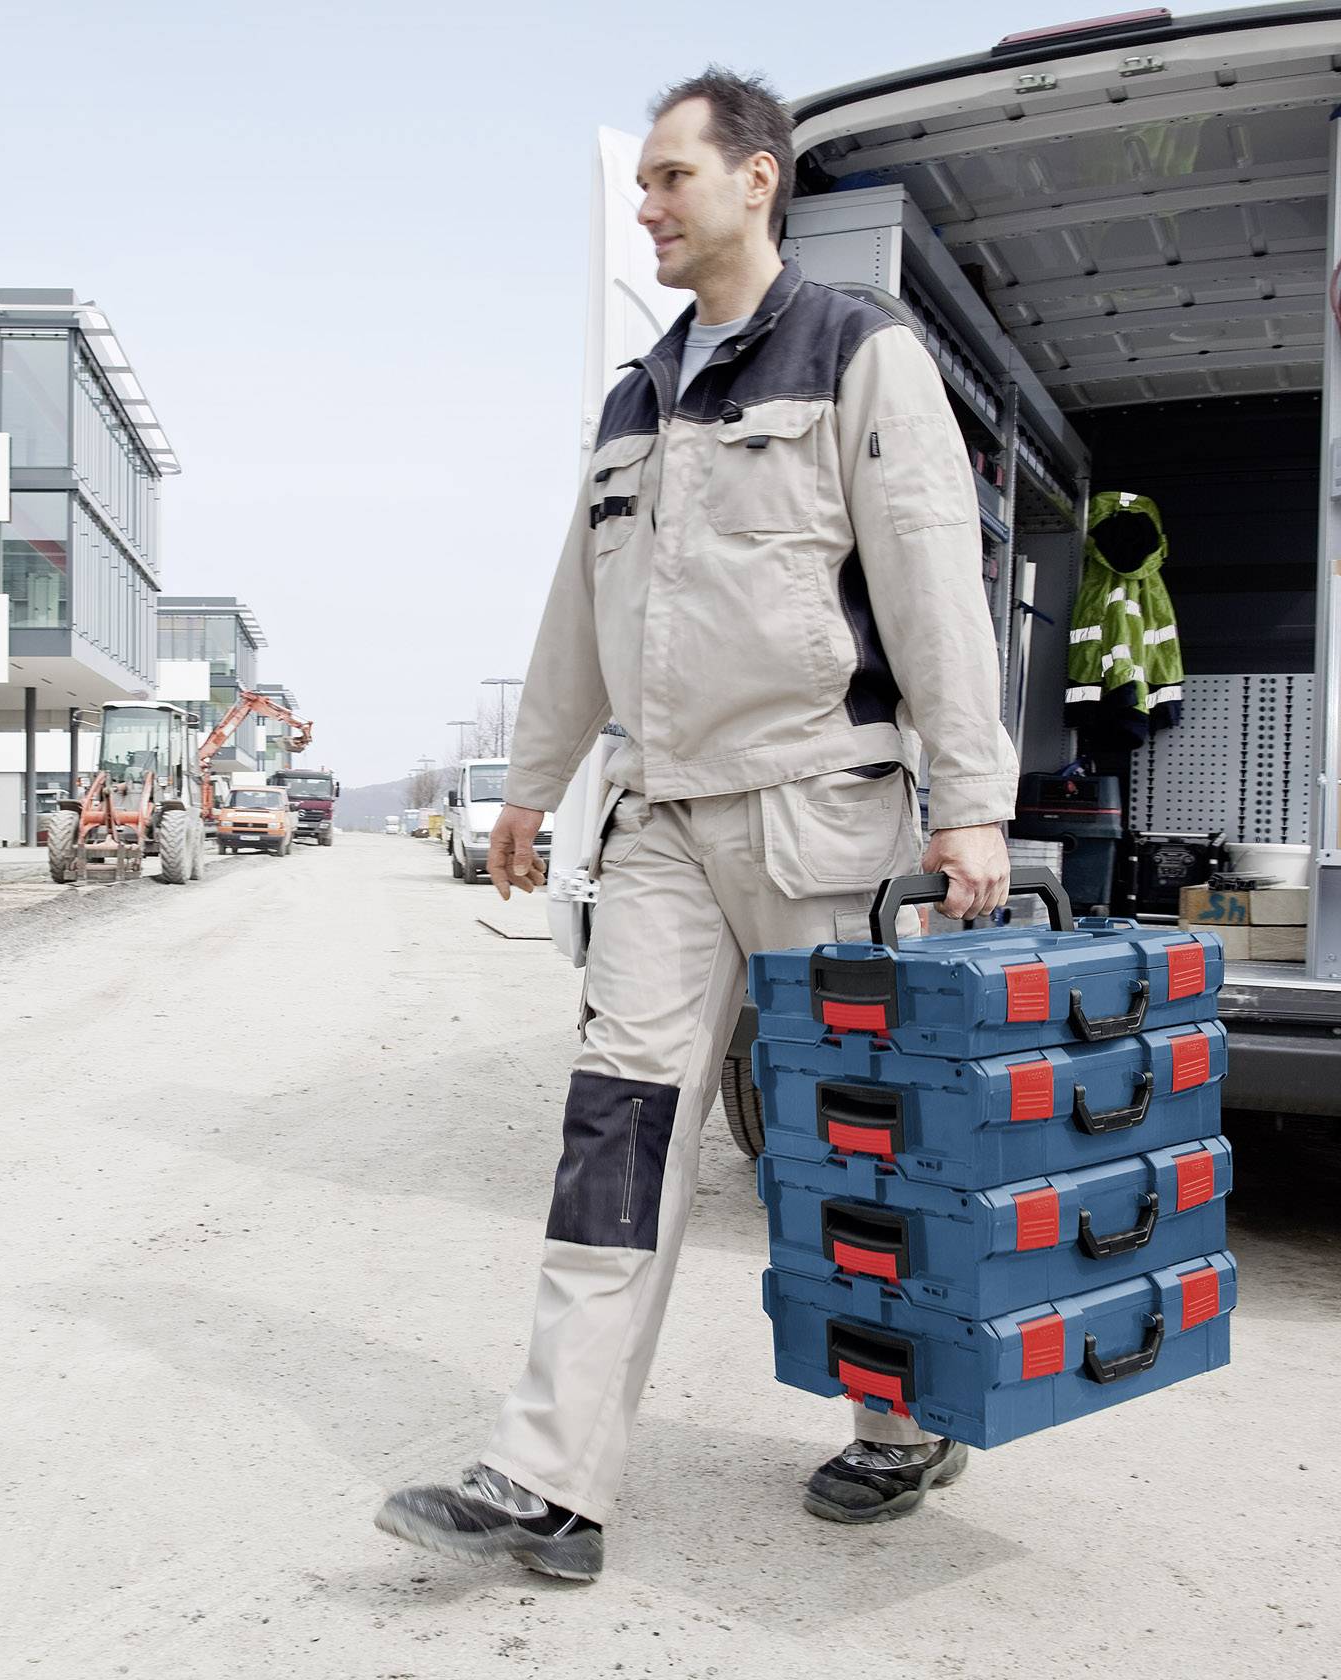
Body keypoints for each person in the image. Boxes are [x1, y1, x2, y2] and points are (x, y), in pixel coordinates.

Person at [375, 67, 1015, 1583]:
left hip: (819, 813)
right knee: (618, 1133)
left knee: (848, 1142)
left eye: (672, 177)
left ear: (756, 179)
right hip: (662, 821)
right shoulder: (635, 398)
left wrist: (974, 803)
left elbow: (933, 580)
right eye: (645, 181)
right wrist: (533, 781)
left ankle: (899, 1420)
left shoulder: (858, 353)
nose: (648, 205)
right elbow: (580, 606)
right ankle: (551, 1482)